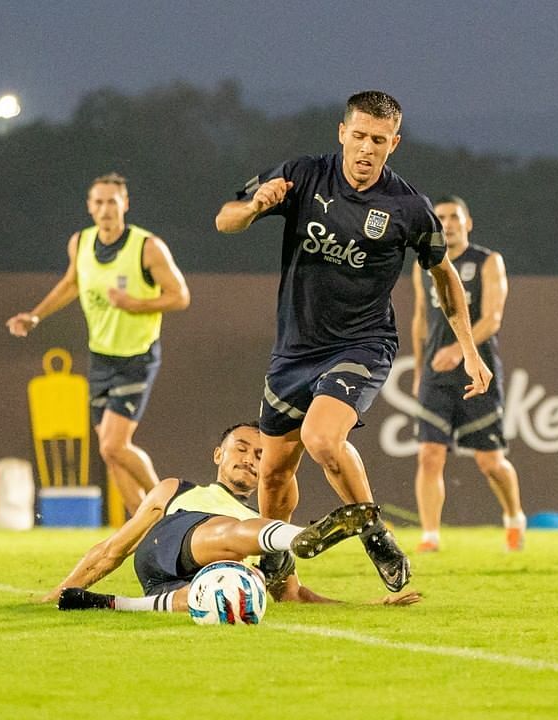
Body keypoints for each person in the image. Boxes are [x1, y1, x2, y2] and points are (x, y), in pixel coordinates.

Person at [214, 90, 492, 593]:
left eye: (379, 141)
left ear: (395, 144)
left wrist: (470, 349)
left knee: (322, 438)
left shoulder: (409, 207)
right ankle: (280, 577)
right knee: (273, 475)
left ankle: (374, 532)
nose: (366, 149)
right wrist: (255, 206)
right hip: (294, 351)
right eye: (359, 136)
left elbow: (445, 278)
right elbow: (224, 219)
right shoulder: (302, 174)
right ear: (341, 132)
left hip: (362, 344)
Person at [42, 421, 420, 611]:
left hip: (189, 590)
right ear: (218, 455)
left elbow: (293, 595)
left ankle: (114, 604)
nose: (249, 458)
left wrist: (366, 607)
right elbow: (114, 549)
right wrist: (56, 590)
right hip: (171, 543)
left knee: (244, 585)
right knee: (233, 534)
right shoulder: (178, 489)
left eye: (260, 456)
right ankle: (299, 538)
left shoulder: (261, 520)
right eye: (240, 448)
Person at [7, 173, 190, 516]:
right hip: (101, 358)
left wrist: (136, 304)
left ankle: (171, 507)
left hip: (137, 356)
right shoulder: (81, 242)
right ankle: (144, 528)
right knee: (110, 453)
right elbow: (70, 283)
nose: (106, 209)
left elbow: (180, 296)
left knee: (114, 444)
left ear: (126, 204)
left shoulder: (147, 247)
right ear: (90, 207)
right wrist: (35, 316)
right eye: (99, 202)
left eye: (112, 201)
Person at [410, 196, 525, 553]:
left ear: (468, 223)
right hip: (435, 375)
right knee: (430, 454)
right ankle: (430, 536)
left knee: (490, 462)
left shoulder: (488, 262)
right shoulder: (424, 264)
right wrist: (418, 369)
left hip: (478, 371)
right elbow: (420, 320)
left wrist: (461, 349)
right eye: (440, 217)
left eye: (454, 217)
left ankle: (513, 517)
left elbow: (493, 318)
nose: (448, 223)